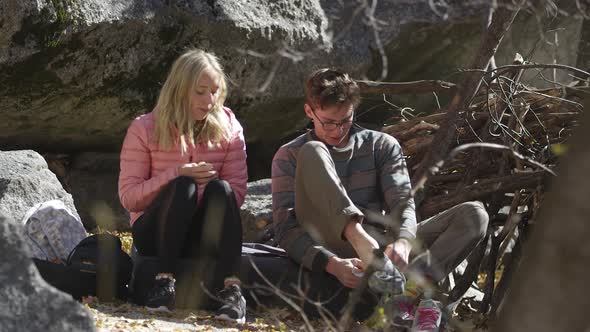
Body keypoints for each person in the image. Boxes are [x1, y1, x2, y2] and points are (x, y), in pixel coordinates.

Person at [271, 68, 489, 324]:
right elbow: (286, 229)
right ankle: (363, 244)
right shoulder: (290, 156)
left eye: (346, 119)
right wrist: (333, 265)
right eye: (328, 122)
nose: (337, 130)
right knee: (314, 150)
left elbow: (402, 203)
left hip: (381, 254)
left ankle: (405, 296)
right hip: (332, 246)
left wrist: (404, 242)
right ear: (309, 112)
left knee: (474, 215)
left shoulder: (381, 145)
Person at [118, 49, 247, 323]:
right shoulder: (144, 128)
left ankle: (233, 291)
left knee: (221, 189)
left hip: (203, 234)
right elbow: (129, 198)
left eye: (214, 91)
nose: (209, 100)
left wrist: (209, 188)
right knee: (184, 185)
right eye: (201, 91)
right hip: (155, 231)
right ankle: (163, 283)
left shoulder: (229, 127)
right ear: (180, 89)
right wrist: (176, 174)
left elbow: (236, 193)